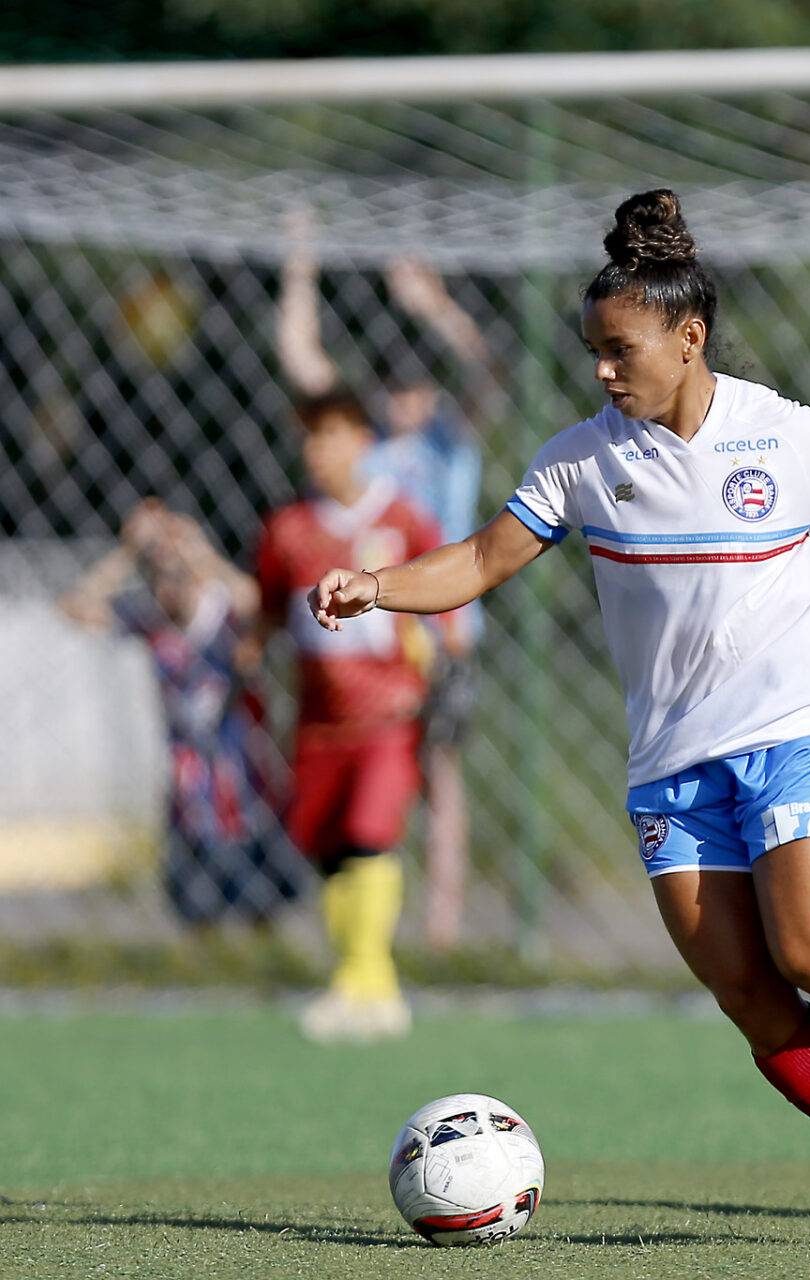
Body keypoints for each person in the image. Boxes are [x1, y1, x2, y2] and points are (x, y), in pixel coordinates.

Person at [306, 190, 810, 1246]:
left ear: (689, 338)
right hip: (670, 767)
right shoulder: (579, 459)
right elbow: (476, 561)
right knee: (745, 986)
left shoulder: (789, 437)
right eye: (592, 348)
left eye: (620, 348)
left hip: (795, 733)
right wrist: (378, 583)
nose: (602, 369)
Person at [278, 243, 491, 950]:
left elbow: (484, 371)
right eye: (395, 390)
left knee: (441, 773)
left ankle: (444, 923)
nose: (407, 400)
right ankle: (373, 924)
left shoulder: (448, 445)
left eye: (417, 389)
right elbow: (304, 364)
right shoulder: (364, 456)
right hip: (371, 638)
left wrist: (433, 305)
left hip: (438, 630)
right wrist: (300, 270)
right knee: (371, 772)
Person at [257, 390, 442, 1042]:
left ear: (364, 439)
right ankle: (354, 976)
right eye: (309, 437)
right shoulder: (287, 529)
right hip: (317, 721)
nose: (318, 450)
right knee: (329, 847)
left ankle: (370, 982)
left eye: (330, 434)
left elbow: (441, 601)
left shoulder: (402, 519)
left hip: (387, 715)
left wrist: (439, 671)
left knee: (371, 834)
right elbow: (265, 616)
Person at [60, 499, 303, 926]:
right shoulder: (151, 620)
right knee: (197, 908)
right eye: (159, 577)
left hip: (247, 780)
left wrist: (201, 554)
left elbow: (262, 604)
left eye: (178, 575)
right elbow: (75, 606)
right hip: (191, 791)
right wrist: (129, 552)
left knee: (261, 904)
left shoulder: (223, 614)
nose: (169, 588)